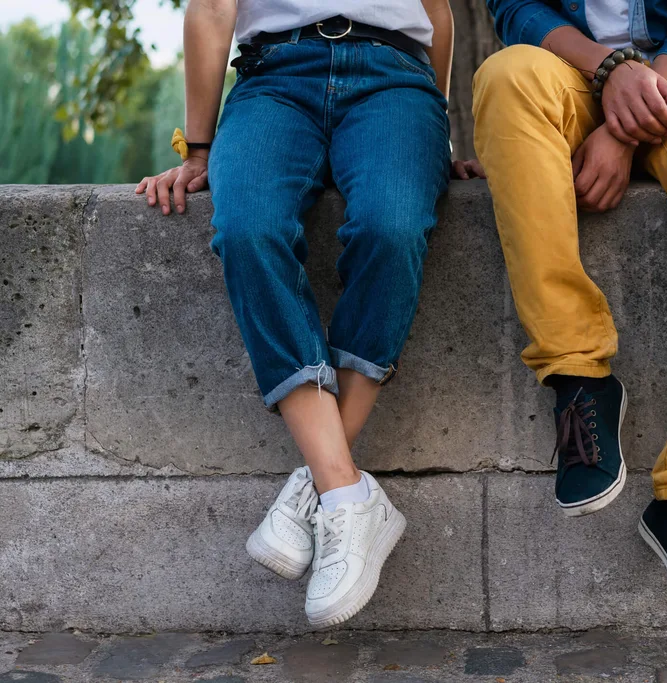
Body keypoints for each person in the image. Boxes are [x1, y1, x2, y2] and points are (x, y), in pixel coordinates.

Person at [136, 0, 482, 628]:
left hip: (396, 79)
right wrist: (198, 149)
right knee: (247, 229)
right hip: (272, 78)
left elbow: (437, 12)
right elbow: (213, 8)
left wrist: (433, 138)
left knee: (392, 224)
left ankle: (320, 481)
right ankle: (346, 493)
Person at [472, 0, 667, 619]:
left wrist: (622, 128)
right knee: (505, 79)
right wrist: (611, 71)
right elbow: (514, 6)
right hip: (571, 74)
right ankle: (578, 377)